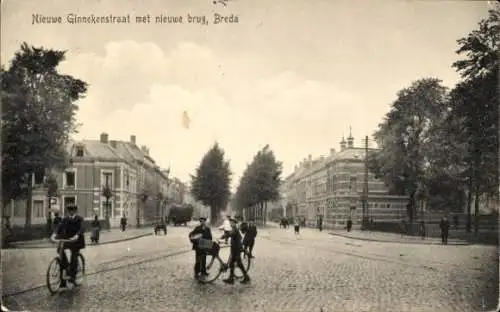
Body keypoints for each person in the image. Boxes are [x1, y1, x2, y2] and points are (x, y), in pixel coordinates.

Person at [50, 205, 85, 287]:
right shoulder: (65, 219)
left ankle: (73, 275)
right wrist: (54, 234)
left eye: (72, 210)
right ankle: (66, 270)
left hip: (77, 240)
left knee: (74, 256)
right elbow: (59, 227)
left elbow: (82, 228)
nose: (70, 211)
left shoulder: (79, 218)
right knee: (60, 250)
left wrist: (77, 235)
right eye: (69, 210)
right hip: (68, 239)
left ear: (75, 211)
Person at [220, 218, 251, 284]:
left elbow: (231, 234)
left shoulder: (235, 230)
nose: (230, 224)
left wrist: (224, 236)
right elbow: (233, 235)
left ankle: (246, 277)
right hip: (234, 249)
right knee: (231, 263)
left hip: (237, 249)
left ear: (234, 223)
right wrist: (225, 236)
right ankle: (231, 279)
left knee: (239, 264)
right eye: (230, 222)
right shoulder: (234, 229)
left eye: (232, 222)